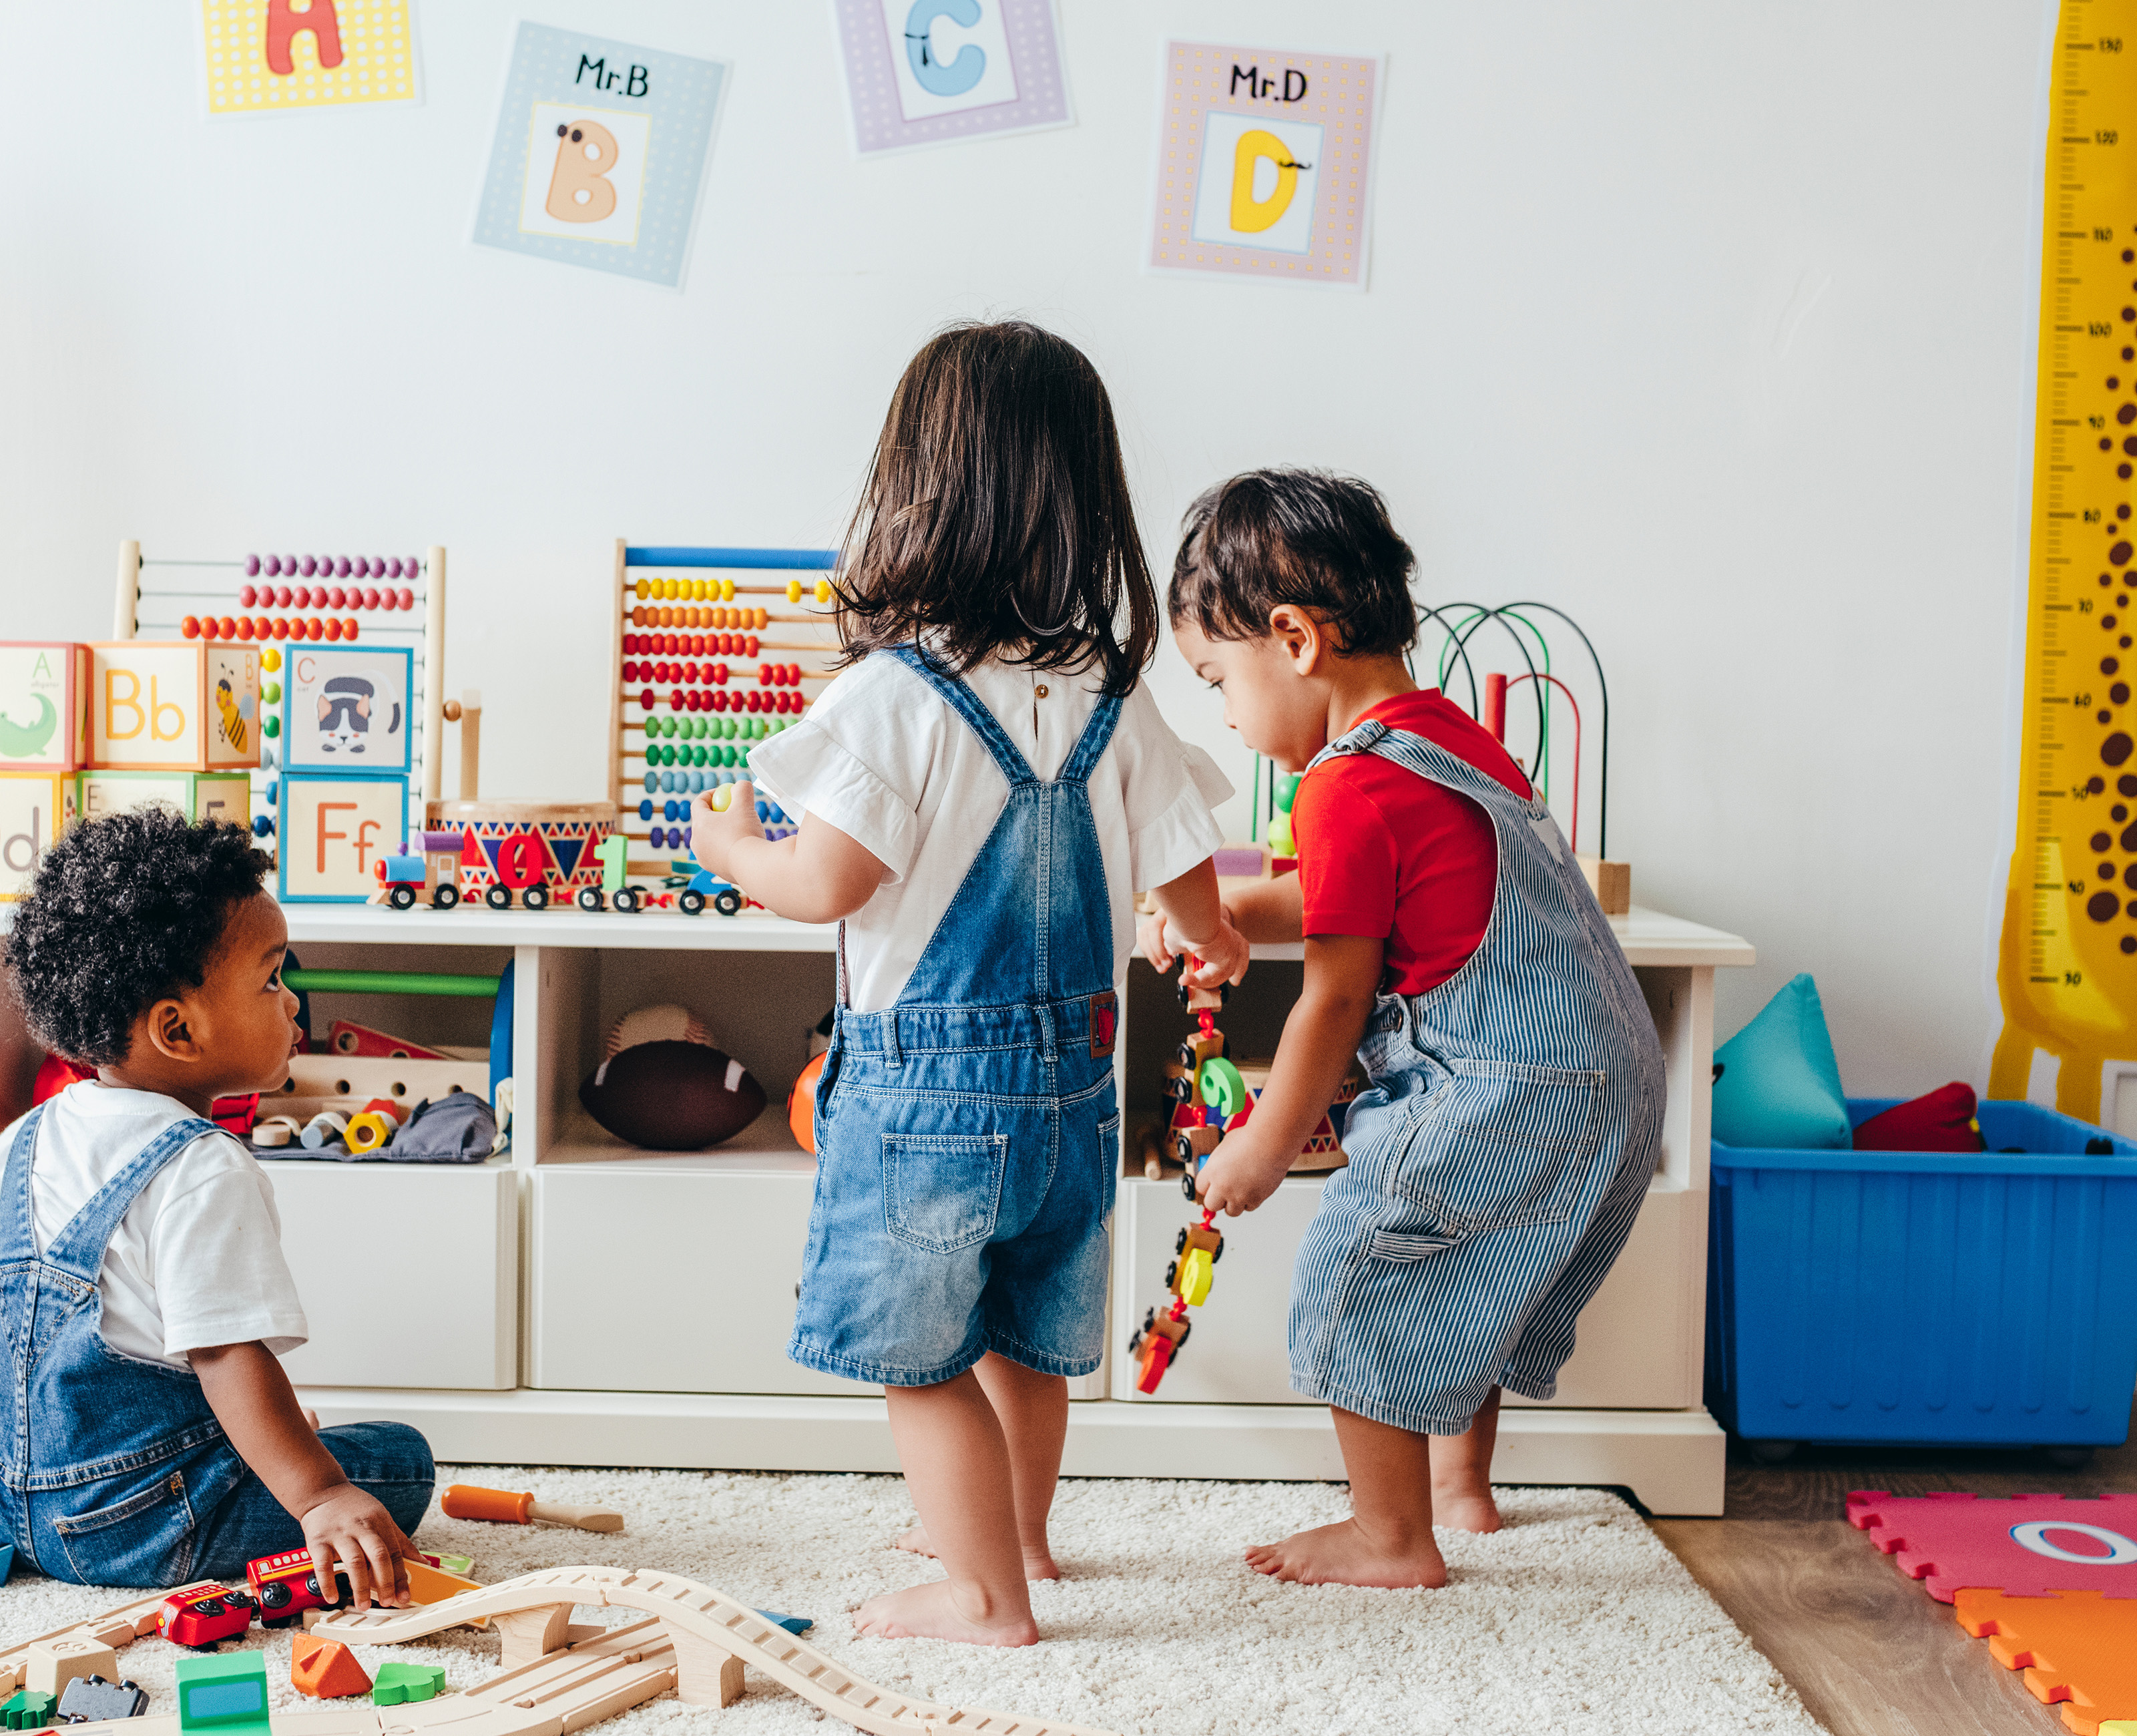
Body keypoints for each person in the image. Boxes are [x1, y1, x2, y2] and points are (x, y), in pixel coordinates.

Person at [691, 320, 1249, 1644]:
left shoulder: (898, 695)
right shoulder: (1114, 692)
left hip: (928, 1100)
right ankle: (1024, 1541)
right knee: (1024, 1337)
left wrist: (727, 848)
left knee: (922, 1360)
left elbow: (825, 882)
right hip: (1075, 1093)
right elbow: (1188, 881)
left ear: (915, 492)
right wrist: (1205, 940)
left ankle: (983, 1594)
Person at [1154, 468, 1664, 1588]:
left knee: (1362, 1265)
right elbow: (1364, 894)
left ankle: (1390, 1539)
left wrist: (1266, 1142)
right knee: (1465, 1271)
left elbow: (1335, 995)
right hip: (1607, 1074)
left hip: (1506, 1081)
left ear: (1292, 640)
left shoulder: (1338, 789)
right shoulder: (1447, 741)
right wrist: (1231, 909)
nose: (1229, 720)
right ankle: (1459, 1490)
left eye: (1218, 683)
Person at [0, 808, 431, 1603]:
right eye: (271, 978)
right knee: (399, 1462)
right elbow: (227, 1358)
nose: (293, 1003)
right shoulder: (203, 1168)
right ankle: (289, 1484)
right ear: (178, 1029)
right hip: (142, 1524)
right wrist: (319, 1495)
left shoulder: (24, 1137)